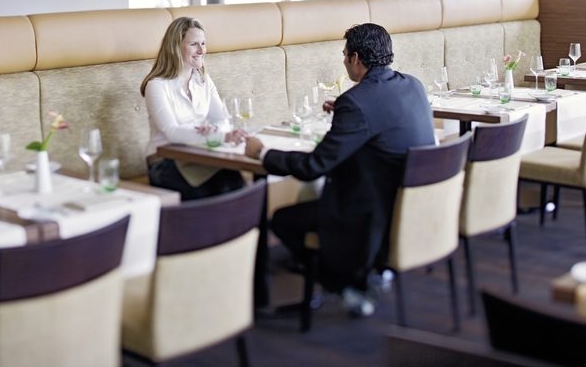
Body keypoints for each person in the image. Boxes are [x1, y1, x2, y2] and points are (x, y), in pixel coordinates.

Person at [245, 23, 435, 314]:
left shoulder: (356, 101)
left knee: (282, 220)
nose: (344, 60)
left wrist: (262, 153)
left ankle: (343, 282)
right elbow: (381, 116)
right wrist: (347, 111)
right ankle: (362, 275)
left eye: (345, 54)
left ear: (355, 58)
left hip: (370, 215)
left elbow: (314, 166)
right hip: (409, 206)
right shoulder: (412, 84)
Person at [141, 17, 247, 200]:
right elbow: (172, 132)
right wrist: (219, 136)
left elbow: (222, 119)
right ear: (175, 47)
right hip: (165, 160)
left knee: (232, 180)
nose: (201, 50)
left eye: (203, 43)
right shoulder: (157, 85)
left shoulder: (203, 79)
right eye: (194, 44)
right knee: (217, 188)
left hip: (198, 153)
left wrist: (215, 130)